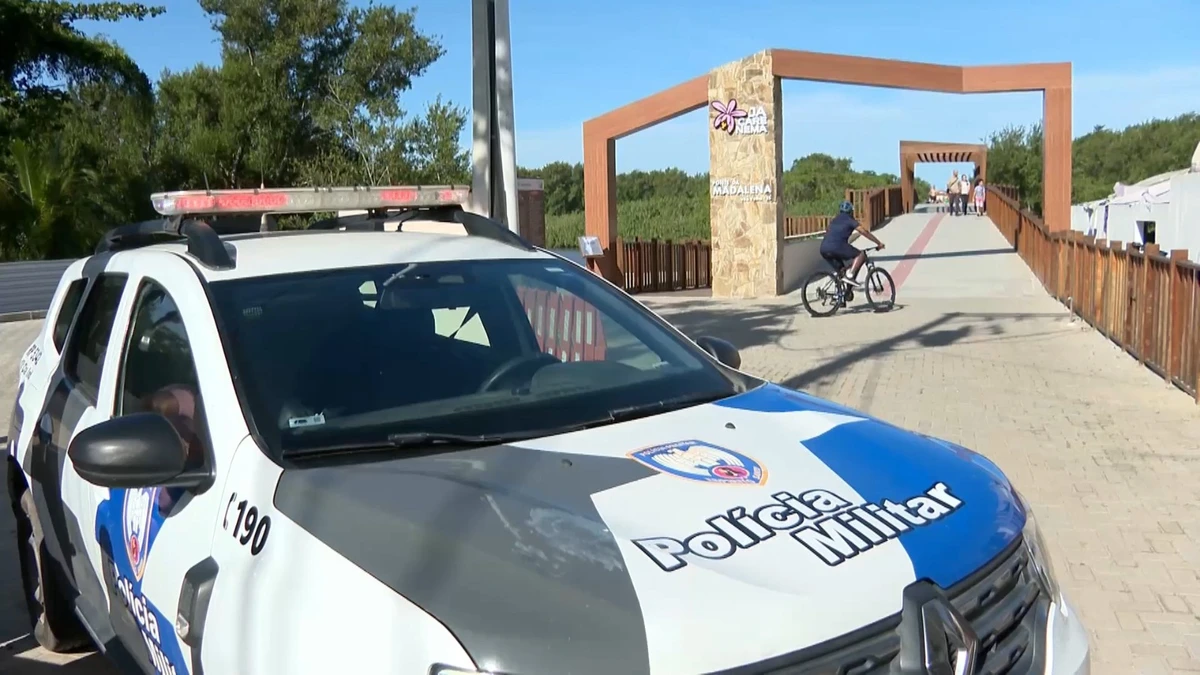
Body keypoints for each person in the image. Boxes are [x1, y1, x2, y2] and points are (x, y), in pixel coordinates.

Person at [820, 200, 885, 288]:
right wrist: (878, 243)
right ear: (851, 212)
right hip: (837, 246)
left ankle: (840, 297)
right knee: (860, 255)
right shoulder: (850, 220)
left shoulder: (834, 220)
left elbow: (828, 231)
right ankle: (851, 275)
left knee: (841, 272)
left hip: (823, 248)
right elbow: (864, 232)